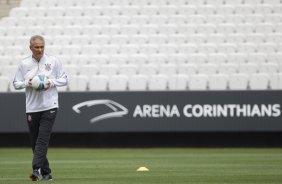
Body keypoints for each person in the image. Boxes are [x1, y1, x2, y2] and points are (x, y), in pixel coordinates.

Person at [13, 35, 68, 181]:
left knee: (42, 139)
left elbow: (64, 79)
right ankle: (46, 172)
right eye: (36, 47)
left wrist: (51, 82)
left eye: (42, 46)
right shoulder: (24, 64)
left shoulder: (53, 61)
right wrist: (28, 82)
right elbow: (16, 84)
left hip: (50, 106)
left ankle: (36, 170)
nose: (40, 49)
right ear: (30, 48)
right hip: (32, 107)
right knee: (34, 141)